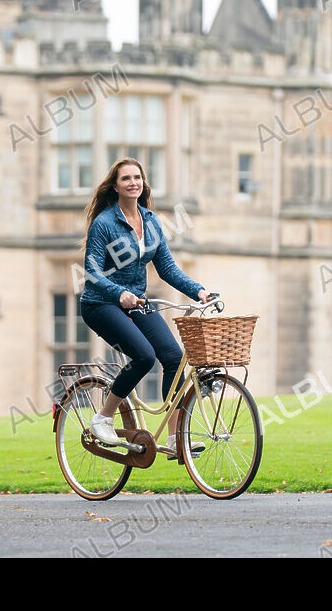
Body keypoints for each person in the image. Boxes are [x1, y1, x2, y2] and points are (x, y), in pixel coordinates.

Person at [79, 157, 210, 458]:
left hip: (136, 301)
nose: (133, 182)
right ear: (115, 185)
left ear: (143, 183)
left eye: (137, 177)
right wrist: (119, 292)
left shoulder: (151, 221)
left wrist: (198, 291)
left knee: (174, 357)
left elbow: (167, 268)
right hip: (101, 303)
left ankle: (178, 438)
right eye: (126, 178)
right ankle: (102, 418)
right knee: (144, 356)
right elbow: (92, 271)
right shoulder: (105, 223)